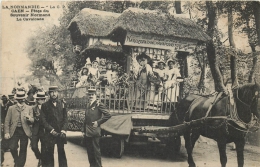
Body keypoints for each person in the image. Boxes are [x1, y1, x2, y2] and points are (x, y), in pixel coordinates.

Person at [4, 90, 34, 167]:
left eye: (23, 98)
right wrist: (6, 132)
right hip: (14, 131)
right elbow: (7, 121)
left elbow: (32, 120)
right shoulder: (11, 108)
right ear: (17, 99)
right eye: (20, 99)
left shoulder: (29, 108)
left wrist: (29, 118)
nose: (21, 100)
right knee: (12, 147)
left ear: (24, 99)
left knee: (23, 150)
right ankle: (17, 161)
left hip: (25, 131)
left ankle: (20, 165)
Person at [40, 86, 68, 167]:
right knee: (49, 154)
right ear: (49, 94)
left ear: (58, 93)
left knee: (61, 153)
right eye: (52, 92)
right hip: (50, 134)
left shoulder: (62, 104)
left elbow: (66, 119)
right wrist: (51, 130)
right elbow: (43, 121)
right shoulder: (45, 105)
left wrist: (63, 131)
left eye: (55, 92)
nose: (54, 94)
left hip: (60, 133)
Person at [83, 88, 111, 167]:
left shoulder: (99, 104)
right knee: (90, 152)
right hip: (88, 131)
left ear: (95, 95)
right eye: (89, 95)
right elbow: (86, 118)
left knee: (96, 152)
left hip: (95, 131)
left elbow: (108, 115)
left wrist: (98, 122)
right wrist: (83, 130)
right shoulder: (88, 104)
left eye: (92, 95)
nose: (91, 96)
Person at [31, 91, 47, 167]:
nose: (39, 100)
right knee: (33, 146)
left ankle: (42, 161)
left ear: (44, 99)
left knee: (44, 147)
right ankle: (39, 157)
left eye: (41, 99)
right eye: (38, 99)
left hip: (44, 130)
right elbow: (31, 118)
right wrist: (34, 118)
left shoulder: (47, 108)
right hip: (35, 130)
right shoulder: (33, 108)